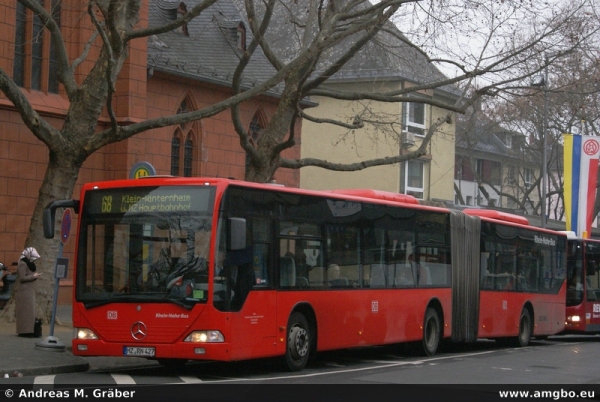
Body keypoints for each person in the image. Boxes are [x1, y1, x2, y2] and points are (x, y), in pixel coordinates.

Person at [15, 247, 42, 338]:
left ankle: (29, 330)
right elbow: (22, 278)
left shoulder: (29, 264)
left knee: (30, 312)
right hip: (24, 292)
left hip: (29, 291)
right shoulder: (22, 264)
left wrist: (34, 276)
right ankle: (24, 331)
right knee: (25, 312)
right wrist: (33, 276)